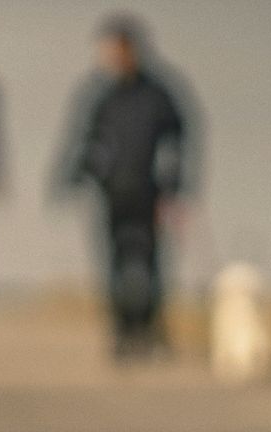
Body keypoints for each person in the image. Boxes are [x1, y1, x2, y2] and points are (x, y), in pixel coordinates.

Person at [55, 14, 198, 358]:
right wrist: (74, 176)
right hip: (111, 194)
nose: (108, 57)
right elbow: (84, 139)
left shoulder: (159, 93)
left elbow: (179, 139)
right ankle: (122, 333)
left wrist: (175, 189)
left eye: (113, 50)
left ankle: (150, 330)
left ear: (130, 49)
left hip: (151, 194)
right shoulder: (99, 93)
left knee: (151, 264)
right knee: (114, 264)